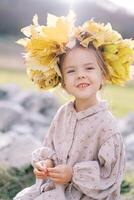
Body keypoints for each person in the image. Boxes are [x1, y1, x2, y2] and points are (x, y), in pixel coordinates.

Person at [14, 11, 134, 200]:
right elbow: (51, 147)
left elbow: (110, 175)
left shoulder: (106, 126)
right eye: (71, 71)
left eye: (89, 68)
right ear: (62, 81)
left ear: (103, 74)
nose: (81, 75)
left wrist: (74, 174)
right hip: (58, 190)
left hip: (88, 195)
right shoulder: (63, 113)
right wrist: (46, 163)